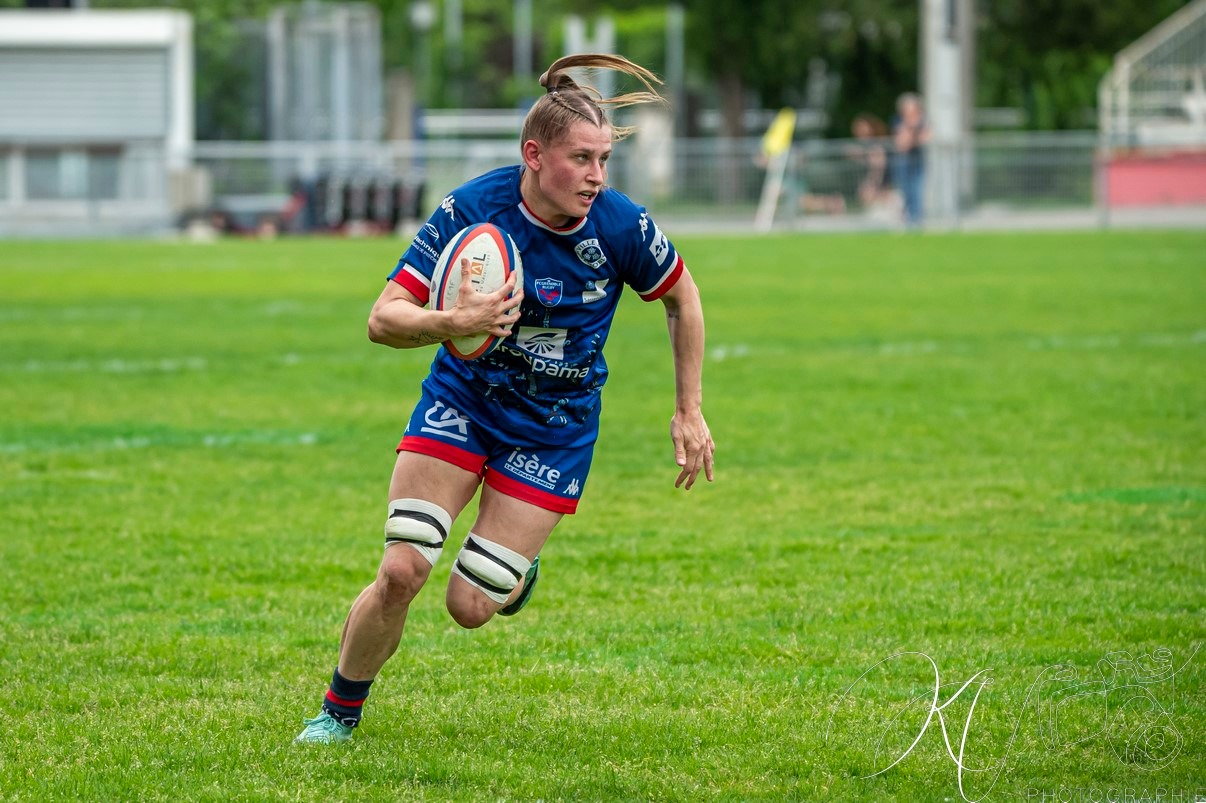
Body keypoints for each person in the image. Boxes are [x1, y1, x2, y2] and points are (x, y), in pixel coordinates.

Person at [295, 53, 716, 745]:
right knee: (403, 567)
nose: (596, 176)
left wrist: (689, 409)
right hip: (465, 399)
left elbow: (682, 296)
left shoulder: (618, 225)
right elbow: (383, 317)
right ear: (534, 154)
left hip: (554, 428)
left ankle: (514, 574)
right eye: (581, 158)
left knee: (468, 604)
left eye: (604, 159)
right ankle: (339, 712)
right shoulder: (471, 210)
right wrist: (450, 323)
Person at [892, 93, 930, 227]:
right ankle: (907, 219)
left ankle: (917, 220)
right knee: (905, 192)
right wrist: (911, 128)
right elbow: (902, 144)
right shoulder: (898, 122)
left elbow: (927, 138)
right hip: (904, 163)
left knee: (917, 191)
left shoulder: (923, 123)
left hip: (918, 163)